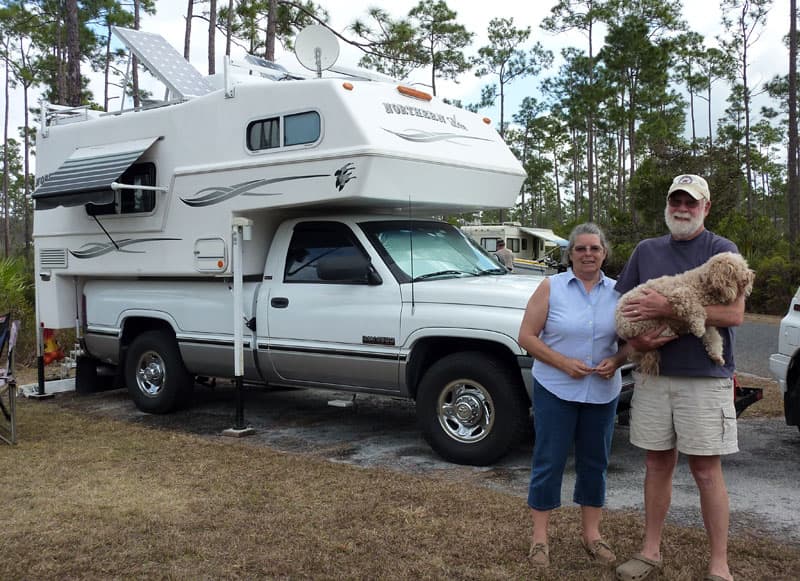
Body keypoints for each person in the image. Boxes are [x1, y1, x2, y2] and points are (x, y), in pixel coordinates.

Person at [614, 174, 744, 581]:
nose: (682, 209)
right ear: (667, 206)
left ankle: (719, 564)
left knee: (706, 470)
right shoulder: (646, 251)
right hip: (654, 375)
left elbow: (734, 315)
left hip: (704, 378)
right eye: (676, 201)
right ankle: (650, 551)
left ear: (706, 208)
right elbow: (623, 307)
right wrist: (636, 342)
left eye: (692, 203)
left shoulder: (722, 251)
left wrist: (668, 308)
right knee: (656, 464)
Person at [518, 222, 630, 568]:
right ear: (570, 254)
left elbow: (630, 341)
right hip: (556, 388)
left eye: (594, 248)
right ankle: (539, 540)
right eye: (580, 248)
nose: (587, 254)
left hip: (601, 392)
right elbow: (527, 336)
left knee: (595, 463)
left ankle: (592, 535)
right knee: (549, 461)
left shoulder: (619, 293)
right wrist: (563, 363)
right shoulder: (551, 287)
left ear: (604, 253)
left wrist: (618, 359)